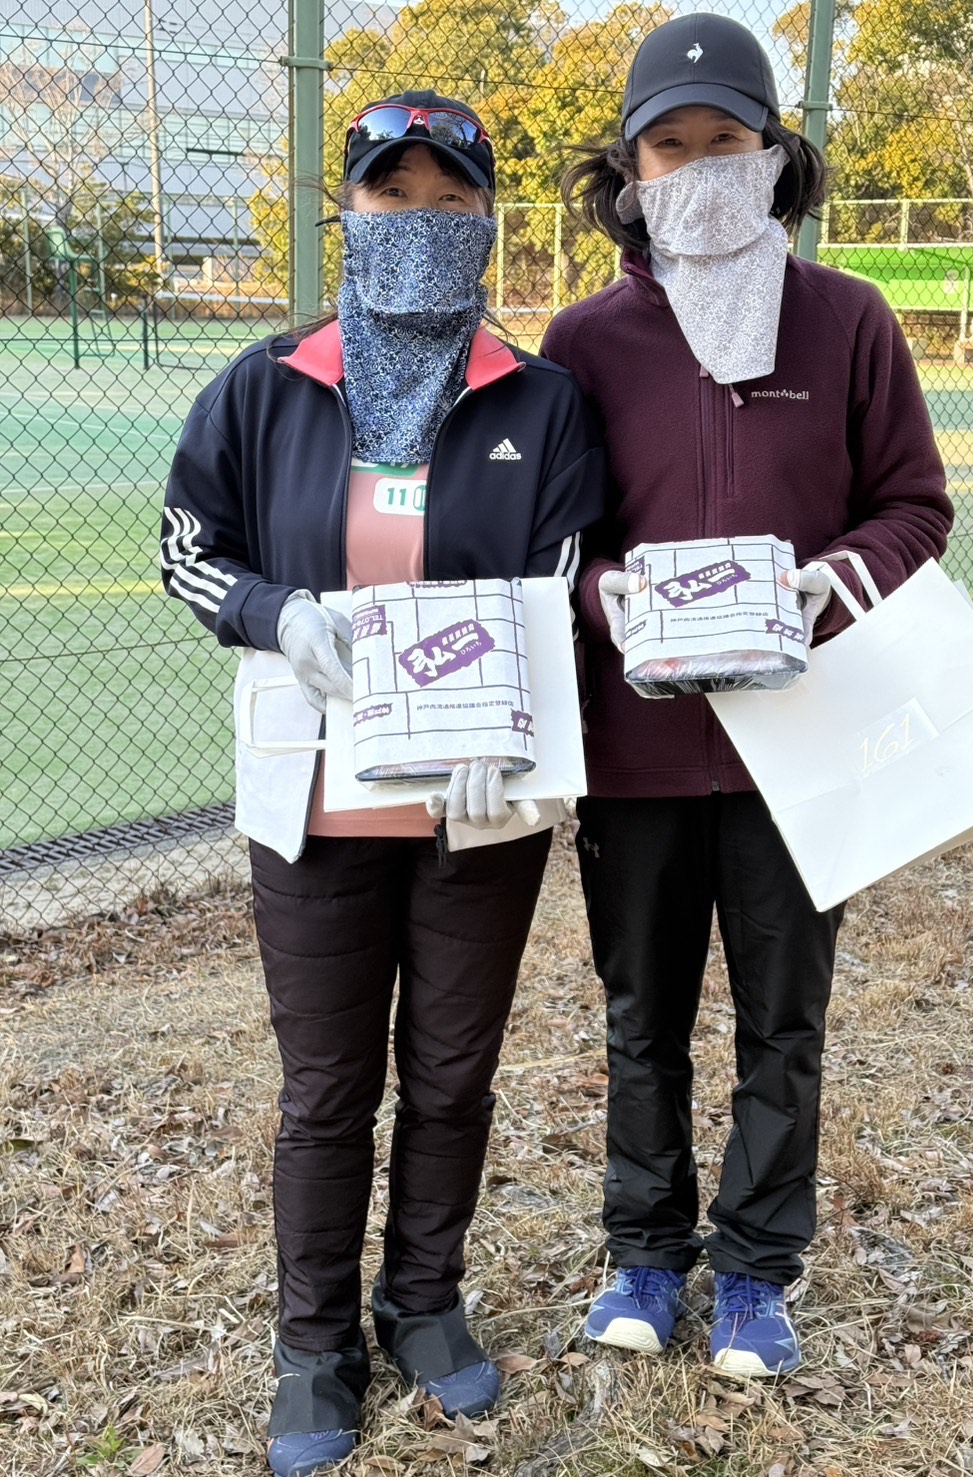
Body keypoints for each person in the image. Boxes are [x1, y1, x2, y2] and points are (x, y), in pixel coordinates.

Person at [160, 90, 603, 1477]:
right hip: (315, 801)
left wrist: (512, 716)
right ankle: (314, 1346)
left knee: (453, 1077)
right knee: (326, 1088)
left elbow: (563, 583)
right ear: (346, 212)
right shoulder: (263, 385)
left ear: (488, 219)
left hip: (481, 803)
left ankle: (422, 1301)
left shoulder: (539, 399)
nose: (419, 219)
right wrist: (273, 611)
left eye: (449, 197)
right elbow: (187, 548)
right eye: (390, 194)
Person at [543, 14, 953, 1379]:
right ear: (630, 167)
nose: (702, 166)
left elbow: (915, 503)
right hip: (640, 749)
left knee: (786, 1021)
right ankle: (646, 1256)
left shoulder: (847, 320)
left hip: (802, 740)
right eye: (672, 145)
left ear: (776, 154)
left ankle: (758, 1273)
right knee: (641, 1017)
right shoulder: (586, 339)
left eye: (729, 139)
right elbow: (557, 537)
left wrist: (830, 583)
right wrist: (609, 596)